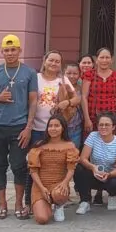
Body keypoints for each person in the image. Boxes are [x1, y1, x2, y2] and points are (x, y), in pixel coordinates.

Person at [0, 34, 39, 221]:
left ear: (19, 51)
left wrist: (29, 127)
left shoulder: (29, 72)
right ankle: (2, 204)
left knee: (19, 166)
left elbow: (33, 101)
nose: (10, 53)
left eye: (13, 49)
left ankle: (19, 203)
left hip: (19, 126)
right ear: (2, 52)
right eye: (6, 50)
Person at [27, 50, 76, 209]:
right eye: (51, 60)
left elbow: (77, 98)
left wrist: (66, 103)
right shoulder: (35, 78)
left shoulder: (63, 79)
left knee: (57, 165)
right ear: (44, 60)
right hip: (37, 128)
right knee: (34, 164)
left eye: (57, 61)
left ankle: (58, 197)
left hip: (56, 129)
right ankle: (30, 201)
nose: (54, 64)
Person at [26, 115, 79, 224]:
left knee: (58, 194)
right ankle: (45, 205)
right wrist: (41, 188)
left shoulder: (69, 146)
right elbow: (33, 171)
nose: (53, 128)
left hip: (59, 185)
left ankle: (59, 206)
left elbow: (71, 169)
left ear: (62, 128)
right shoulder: (39, 145)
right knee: (42, 219)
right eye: (50, 126)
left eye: (56, 126)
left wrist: (65, 183)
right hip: (40, 186)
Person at [76, 112, 116, 214]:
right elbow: (83, 158)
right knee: (79, 168)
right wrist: (92, 167)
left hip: (110, 175)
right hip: (95, 172)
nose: (103, 127)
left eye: (107, 125)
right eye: (101, 124)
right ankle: (84, 201)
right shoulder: (93, 136)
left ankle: (112, 195)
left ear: (113, 127)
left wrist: (108, 174)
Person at [81, 48, 116, 136]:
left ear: (112, 60)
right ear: (96, 60)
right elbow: (84, 97)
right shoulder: (89, 75)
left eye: (107, 57)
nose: (104, 60)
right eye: (102, 57)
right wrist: (87, 119)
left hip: (111, 119)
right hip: (93, 118)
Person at [62, 62, 84, 148]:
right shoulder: (59, 86)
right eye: (69, 73)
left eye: (75, 73)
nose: (72, 76)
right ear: (64, 73)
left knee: (74, 152)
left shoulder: (82, 88)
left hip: (76, 126)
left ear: (79, 74)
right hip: (62, 126)